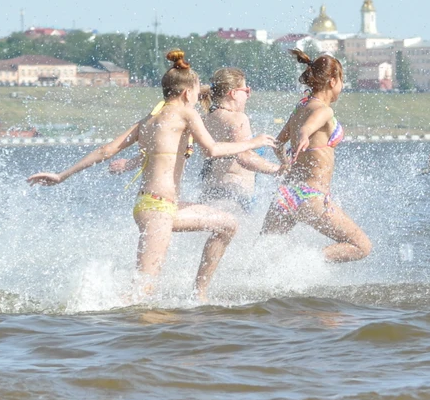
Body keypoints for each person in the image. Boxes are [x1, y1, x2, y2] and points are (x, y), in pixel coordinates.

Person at [26, 50, 276, 303]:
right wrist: (253, 142)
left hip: (157, 205)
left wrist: (62, 175)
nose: (203, 94)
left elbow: (106, 150)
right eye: (198, 90)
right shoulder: (186, 114)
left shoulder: (150, 119)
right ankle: (92, 309)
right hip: (158, 209)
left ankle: (198, 296)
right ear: (188, 93)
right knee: (143, 290)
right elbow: (212, 149)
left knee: (227, 224)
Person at [260, 49, 372, 262]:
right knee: (361, 246)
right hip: (311, 196)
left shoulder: (300, 106)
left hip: (287, 194)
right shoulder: (324, 110)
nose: (342, 86)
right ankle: (301, 261)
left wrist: (285, 163)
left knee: (262, 254)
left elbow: (277, 143)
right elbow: (308, 128)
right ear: (332, 81)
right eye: (342, 81)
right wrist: (304, 135)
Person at [198, 67, 285, 213]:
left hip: (208, 192)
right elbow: (244, 157)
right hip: (233, 193)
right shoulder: (237, 119)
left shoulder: (206, 119)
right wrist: (278, 170)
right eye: (246, 90)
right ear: (233, 93)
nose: (248, 95)